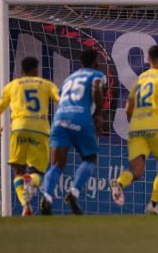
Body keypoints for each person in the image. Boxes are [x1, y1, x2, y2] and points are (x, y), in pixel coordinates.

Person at [110, 45, 158, 215]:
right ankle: (153, 204)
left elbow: (128, 109)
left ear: (147, 59)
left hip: (135, 127)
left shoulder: (140, 79)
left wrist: (135, 125)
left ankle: (119, 182)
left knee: (136, 172)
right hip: (155, 124)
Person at [37, 50, 105, 216]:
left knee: (56, 165)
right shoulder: (97, 74)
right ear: (96, 62)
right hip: (80, 117)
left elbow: (59, 98)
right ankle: (73, 193)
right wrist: (98, 114)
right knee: (90, 158)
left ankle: (47, 196)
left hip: (59, 118)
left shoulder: (69, 79)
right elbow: (96, 88)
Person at [0, 57, 60, 216]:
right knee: (38, 173)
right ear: (36, 70)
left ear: (21, 71)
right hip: (40, 129)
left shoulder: (12, 86)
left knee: (18, 172)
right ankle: (31, 180)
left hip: (18, 129)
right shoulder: (46, 84)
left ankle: (25, 205)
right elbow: (60, 100)